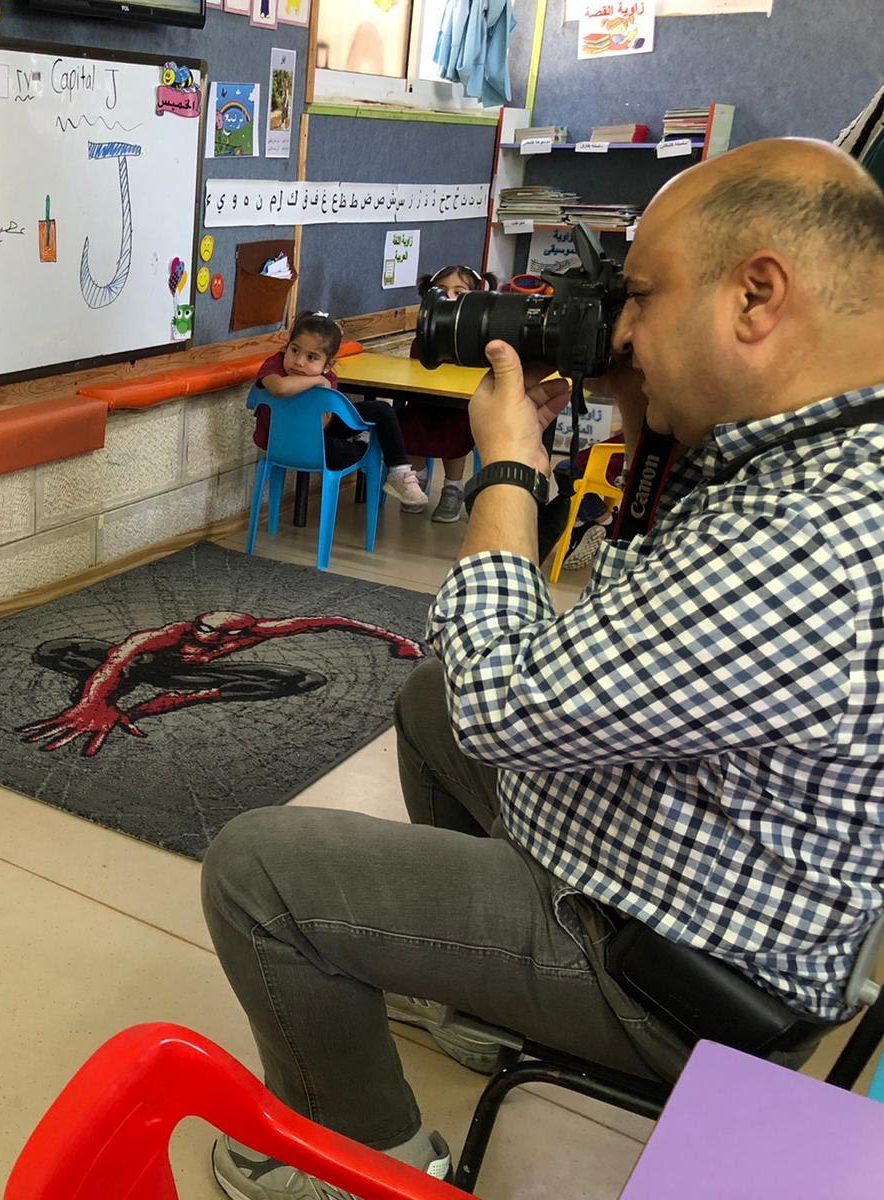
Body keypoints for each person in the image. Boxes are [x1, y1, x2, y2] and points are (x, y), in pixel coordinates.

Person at [201, 137, 884, 1198]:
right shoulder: (796, 452)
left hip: (670, 971)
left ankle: (367, 1164)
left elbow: (500, 699)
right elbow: (616, 630)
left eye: (639, 298)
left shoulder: (817, 537)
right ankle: (483, 1009)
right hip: (681, 867)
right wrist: (647, 404)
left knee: (259, 872)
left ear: (756, 297)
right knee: (424, 701)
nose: (622, 332)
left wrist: (509, 472)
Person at [253, 311, 430, 507]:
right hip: (283, 444)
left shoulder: (328, 377)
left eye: (311, 357)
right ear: (285, 347)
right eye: (294, 350)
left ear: (328, 365)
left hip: (318, 431)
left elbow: (324, 423)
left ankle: (399, 472)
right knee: (338, 452)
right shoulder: (275, 365)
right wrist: (318, 380)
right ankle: (365, 445)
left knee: (382, 410)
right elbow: (279, 388)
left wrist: (322, 384)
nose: (299, 362)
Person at [397, 265, 497, 523]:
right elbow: (416, 367)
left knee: (456, 430)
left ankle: (453, 487)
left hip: (459, 407)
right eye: (441, 291)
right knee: (409, 424)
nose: (449, 297)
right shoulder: (425, 333)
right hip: (425, 401)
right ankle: (417, 479)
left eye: (458, 292)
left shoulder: (477, 337)